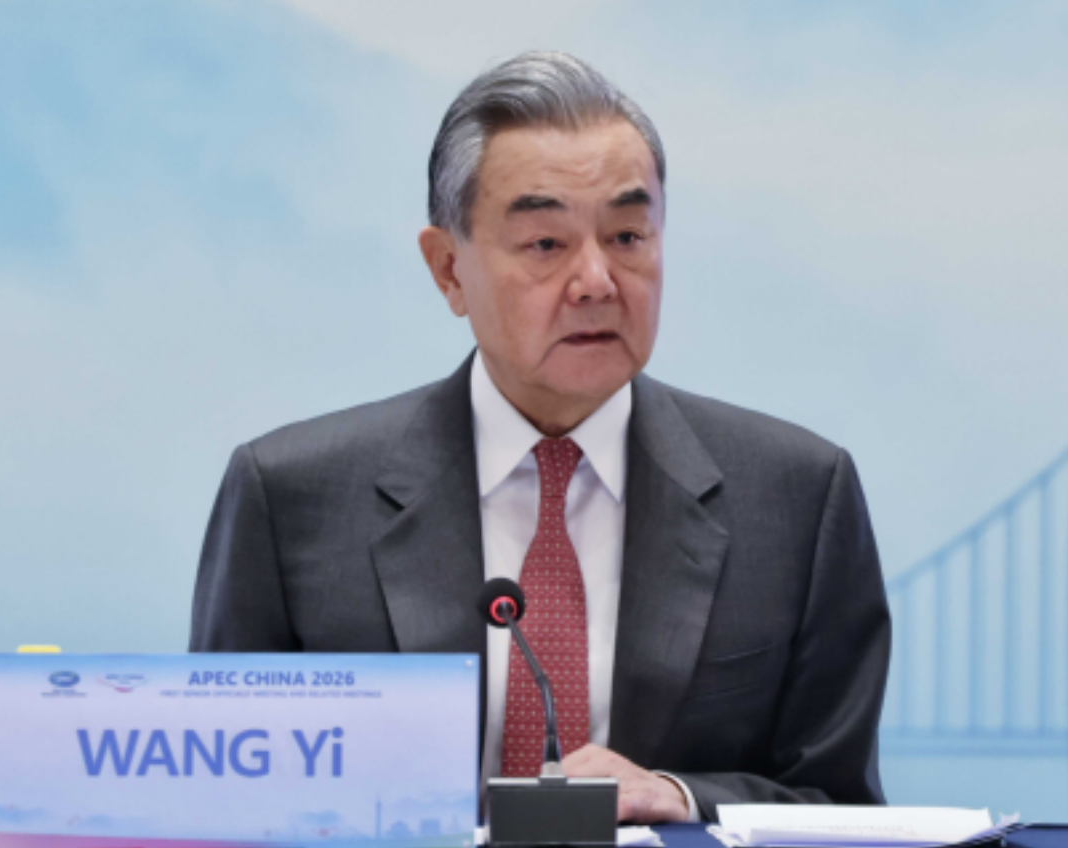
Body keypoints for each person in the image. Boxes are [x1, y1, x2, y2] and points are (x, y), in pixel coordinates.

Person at [191, 51, 890, 824]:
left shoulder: (796, 497)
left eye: (627, 236)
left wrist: (683, 797)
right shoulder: (290, 499)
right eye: (546, 245)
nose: (596, 281)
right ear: (448, 269)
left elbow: (843, 808)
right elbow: (224, 805)